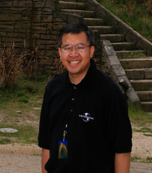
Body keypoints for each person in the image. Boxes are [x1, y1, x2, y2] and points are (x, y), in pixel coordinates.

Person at [38, 23, 132, 173]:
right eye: (67, 48)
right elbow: (46, 145)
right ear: (60, 52)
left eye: (80, 47)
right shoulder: (52, 89)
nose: (73, 54)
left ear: (91, 51)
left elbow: (122, 149)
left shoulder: (110, 92)